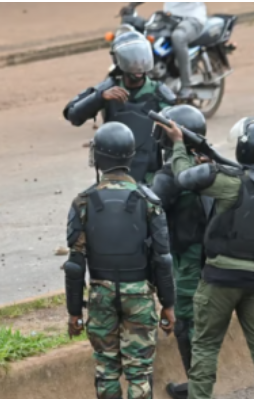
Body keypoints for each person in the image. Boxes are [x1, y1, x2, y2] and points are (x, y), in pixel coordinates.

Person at [157, 117, 254, 399]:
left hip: (221, 278)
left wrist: (179, 145)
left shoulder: (231, 182)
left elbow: (182, 177)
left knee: (205, 348)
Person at [64, 121, 176, 399]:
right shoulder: (148, 201)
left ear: (98, 157)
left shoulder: (83, 203)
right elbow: (162, 259)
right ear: (129, 156)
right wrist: (168, 305)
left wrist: (75, 311)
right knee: (139, 372)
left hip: (101, 295)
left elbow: (75, 265)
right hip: (138, 296)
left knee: (106, 369)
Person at [150, 105, 213, 399]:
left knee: (186, 322)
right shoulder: (207, 164)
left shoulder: (172, 175)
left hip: (187, 259)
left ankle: (198, 389)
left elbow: (151, 210)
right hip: (206, 255)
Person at [63, 31, 175, 185]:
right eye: (132, 60)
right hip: (115, 177)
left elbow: (181, 130)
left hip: (150, 176)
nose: (138, 66)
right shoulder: (108, 88)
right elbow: (73, 115)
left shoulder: (158, 92)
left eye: (141, 58)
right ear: (120, 61)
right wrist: (99, 97)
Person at [120, 2, 208, 101]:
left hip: (192, 18)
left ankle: (186, 86)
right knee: (146, 33)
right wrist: (132, 5)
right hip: (169, 17)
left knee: (178, 37)